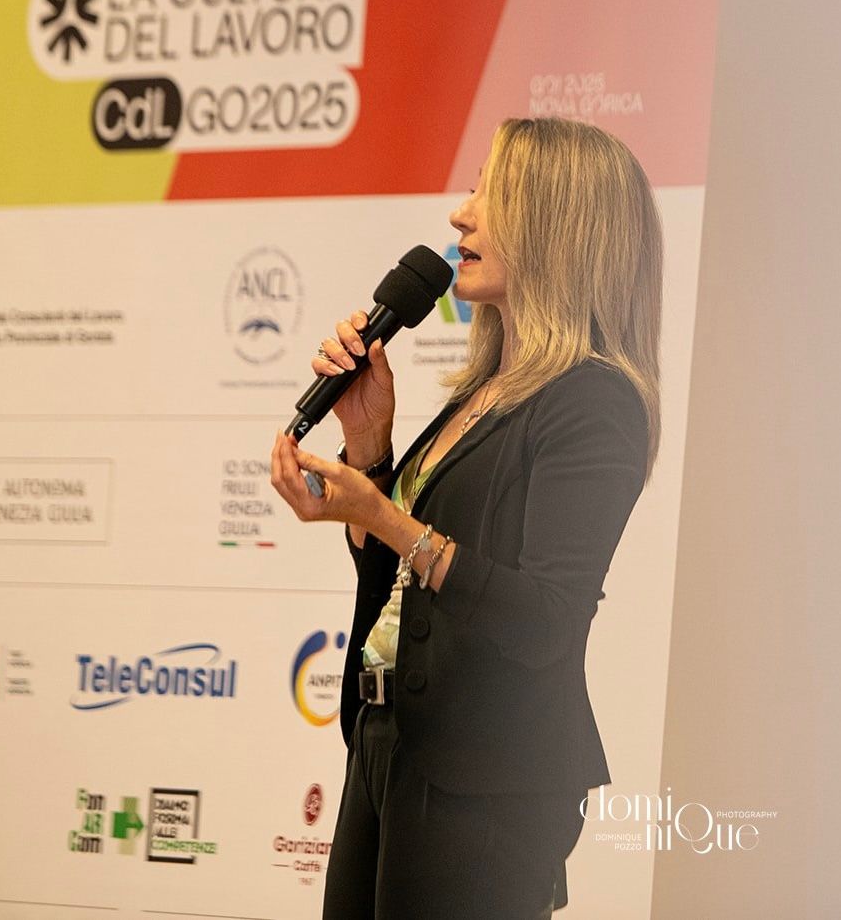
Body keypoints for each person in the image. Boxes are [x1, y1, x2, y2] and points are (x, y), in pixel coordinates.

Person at [271, 117, 662, 920]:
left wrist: (386, 516)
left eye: (490, 192)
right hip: (387, 738)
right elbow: (396, 578)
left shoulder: (594, 401)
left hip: (486, 771)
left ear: (556, 223)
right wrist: (369, 448)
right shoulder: (483, 393)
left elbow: (547, 616)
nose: (461, 213)